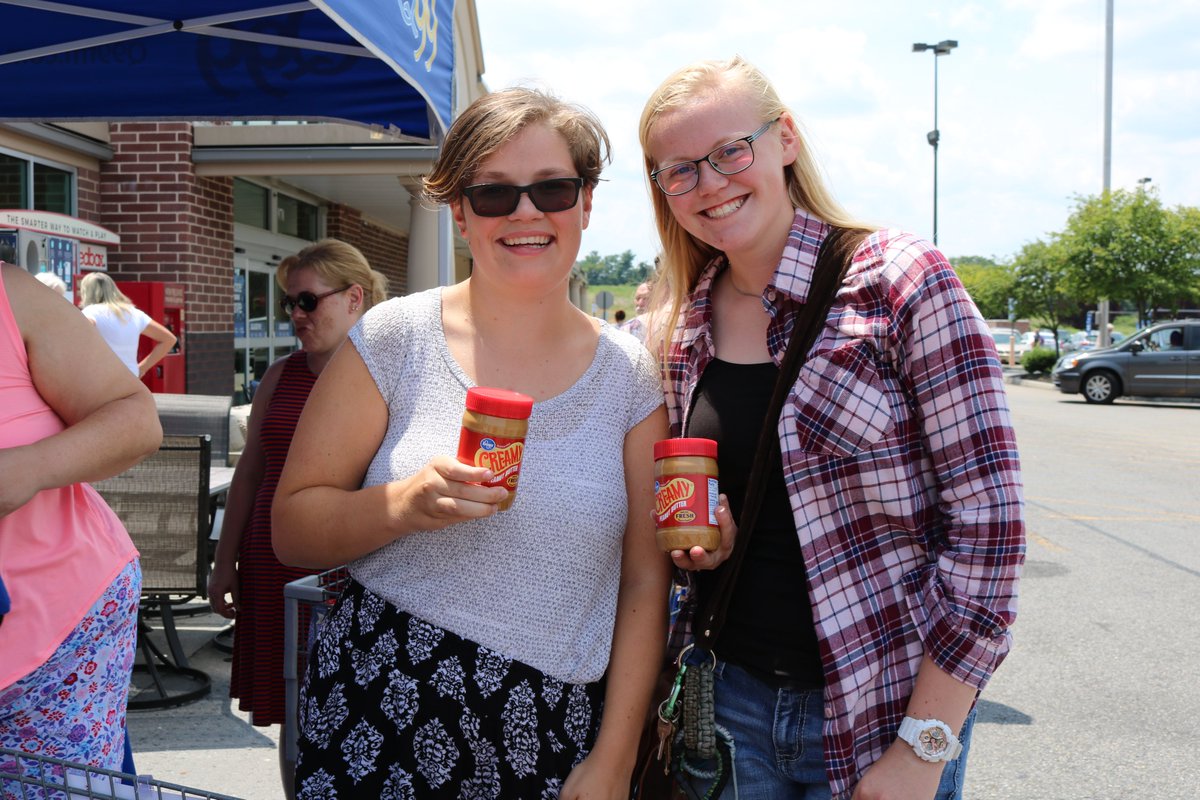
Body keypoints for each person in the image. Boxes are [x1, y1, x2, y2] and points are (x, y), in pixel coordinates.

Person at [638, 57, 1025, 800]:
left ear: (784, 139)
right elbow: (728, 509)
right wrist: (703, 541)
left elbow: (990, 531)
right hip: (730, 708)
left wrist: (926, 744)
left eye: (729, 152)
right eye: (679, 170)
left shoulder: (901, 280)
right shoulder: (682, 323)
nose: (710, 184)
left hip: (883, 708)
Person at [272, 87, 669, 799]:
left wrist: (615, 755)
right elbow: (292, 527)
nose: (525, 212)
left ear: (585, 204)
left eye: (552, 188)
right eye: (494, 194)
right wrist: (403, 504)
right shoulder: (395, 337)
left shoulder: (629, 376)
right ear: (459, 212)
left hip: (550, 724)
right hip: (383, 698)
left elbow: (645, 578)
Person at [206, 239, 387, 796]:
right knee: (291, 707)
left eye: (308, 301)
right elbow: (251, 472)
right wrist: (223, 560)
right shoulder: (280, 376)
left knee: (358, 705)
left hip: (350, 565)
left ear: (354, 298)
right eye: (289, 303)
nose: (295, 316)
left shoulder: (386, 374)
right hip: (270, 557)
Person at [0, 263, 161, 773]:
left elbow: (133, 416)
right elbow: (165, 340)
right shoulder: (122, 312)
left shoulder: (14, 295)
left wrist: (26, 468)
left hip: (54, 624)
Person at [78, 271, 177, 378]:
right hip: (130, 379)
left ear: (86, 292)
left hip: (100, 379)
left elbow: (79, 335)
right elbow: (169, 339)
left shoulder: (91, 311)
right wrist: (142, 368)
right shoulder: (134, 313)